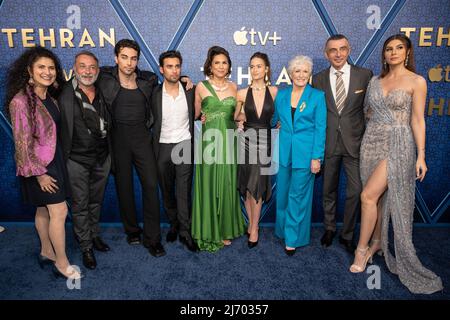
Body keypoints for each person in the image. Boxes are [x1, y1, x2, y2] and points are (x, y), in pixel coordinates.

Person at [350, 34, 443, 294]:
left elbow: (417, 120)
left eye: (399, 48)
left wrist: (421, 155)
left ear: (408, 52)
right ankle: (378, 241)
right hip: (372, 142)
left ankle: (362, 250)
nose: (393, 52)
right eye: (389, 49)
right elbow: (368, 112)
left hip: (399, 144)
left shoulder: (417, 81)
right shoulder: (375, 81)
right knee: (378, 199)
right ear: (384, 54)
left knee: (367, 196)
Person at [6, 46, 82, 279]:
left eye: (51, 68)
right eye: (41, 67)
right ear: (29, 70)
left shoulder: (49, 96)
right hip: (38, 166)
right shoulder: (20, 101)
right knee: (59, 210)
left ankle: (46, 251)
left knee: (43, 210)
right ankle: (62, 262)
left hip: (54, 159)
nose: (47, 72)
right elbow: (22, 143)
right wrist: (39, 174)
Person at [96, 39, 165, 257]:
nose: (129, 62)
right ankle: (132, 230)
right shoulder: (104, 78)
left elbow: (167, 86)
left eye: (133, 58)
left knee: (151, 186)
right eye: (124, 57)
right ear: (116, 58)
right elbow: (84, 74)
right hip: (117, 139)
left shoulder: (148, 80)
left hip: (142, 138)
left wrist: (184, 79)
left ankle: (152, 239)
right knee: (123, 187)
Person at [312, 34, 373, 253]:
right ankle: (329, 228)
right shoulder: (317, 79)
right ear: (325, 53)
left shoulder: (364, 75)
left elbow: (370, 108)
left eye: (342, 49)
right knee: (328, 189)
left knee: (355, 191)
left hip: (355, 143)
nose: (338, 54)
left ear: (349, 50)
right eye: (333, 50)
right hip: (328, 143)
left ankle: (347, 234)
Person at [58, 51, 111, 270]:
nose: (87, 71)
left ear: (97, 70)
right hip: (76, 160)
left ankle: (95, 234)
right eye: (83, 66)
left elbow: (137, 76)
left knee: (95, 202)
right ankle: (86, 246)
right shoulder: (63, 92)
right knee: (80, 204)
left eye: (92, 67)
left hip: (102, 158)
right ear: (74, 68)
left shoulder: (104, 90)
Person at [192, 46, 246, 252]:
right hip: (210, 144)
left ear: (229, 65)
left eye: (224, 62)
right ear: (210, 66)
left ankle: (224, 229)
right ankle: (209, 228)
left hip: (230, 141)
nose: (221, 66)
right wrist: (202, 116)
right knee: (209, 183)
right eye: (217, 63)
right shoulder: (201, 87)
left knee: (226, 183)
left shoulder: (235, 88)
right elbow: (195, 114)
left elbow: (238, 115)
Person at [272, 55, 326, 256]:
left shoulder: (317, 97)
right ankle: (282, 230)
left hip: (306, 156)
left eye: (305, 71)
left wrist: (316, 157)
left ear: (309, 73)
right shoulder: (282, 96)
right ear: (291, 74)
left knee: (297, 196)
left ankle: (292, 238)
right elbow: (274, 120)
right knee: (284, 194)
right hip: (285, 153)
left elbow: (321, 129)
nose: (301, 75)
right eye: (297, 71)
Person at [151, 50, 198, 252]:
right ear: (162, 69)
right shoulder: (152, 92)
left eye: (177, 66)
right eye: (169, 66)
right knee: (167, 190)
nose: (174, 70)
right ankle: (174, 224)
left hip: (184, 144)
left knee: (183, 191)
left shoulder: (190, 90)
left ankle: (185, 232)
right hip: (162, 146)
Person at [235, 52, 277, 248]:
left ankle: (254, 227)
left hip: (265, 141)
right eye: (252, 66)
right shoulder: (242, 93)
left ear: (266, 68)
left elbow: (282, 114)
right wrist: (240, 118)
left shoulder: (275, 92)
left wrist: (281, 124)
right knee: (247, 187)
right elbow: (235, 116)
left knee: (258, 185)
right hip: (247, 141)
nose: (255, 69)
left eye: (259, 66)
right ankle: (252, 225)